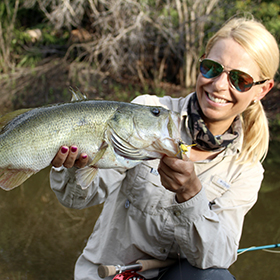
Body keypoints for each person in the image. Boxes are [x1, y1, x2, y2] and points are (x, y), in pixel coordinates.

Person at [50, 16, 279, 280]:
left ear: (263, 89)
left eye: (240, 79)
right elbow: (78, 198)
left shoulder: (247, 170)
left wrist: (191, 194)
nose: (218, 85)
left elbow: (217, 257)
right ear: (201, 63)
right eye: (212, 68)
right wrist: (76, 166)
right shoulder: (147, 111)